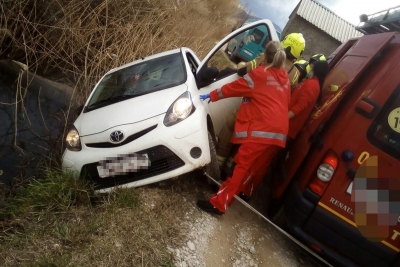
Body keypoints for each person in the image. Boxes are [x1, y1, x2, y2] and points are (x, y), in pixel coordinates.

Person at [196, 41, 290, 215]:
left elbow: (234, 88)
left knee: (240, 167)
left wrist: (212, 95)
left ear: (265, 55)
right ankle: (227, 195)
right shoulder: (284, 78)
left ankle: (219, 204)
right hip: (279, 133)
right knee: (249, 169)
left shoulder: (260, 74)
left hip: (263, 130)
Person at [237, 33, 306, 91]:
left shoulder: (267, 56)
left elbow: (242, 71)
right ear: (300, 52)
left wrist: (241, 64)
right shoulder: (295, 75)